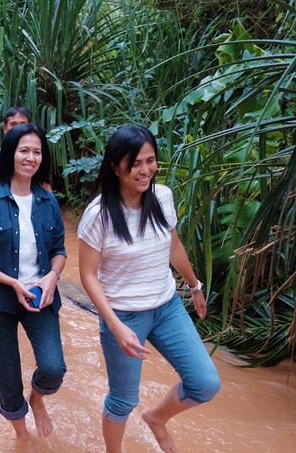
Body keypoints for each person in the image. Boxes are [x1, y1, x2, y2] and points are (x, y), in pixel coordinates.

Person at [77, 124, 220, 453]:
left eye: (150, 161)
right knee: (123, 399)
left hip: (167, 306)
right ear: (115, 166)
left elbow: (174, 249)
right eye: (135, 163)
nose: (145, 171)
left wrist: (195, 286)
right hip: (124, 314)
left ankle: (156, 418)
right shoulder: (99, 214)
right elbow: (87, 276)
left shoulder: (162, 196)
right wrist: (115, 325)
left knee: (205, 383)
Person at [0, 123, 67, 441]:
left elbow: (60, 250)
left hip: (40, 296)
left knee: (53, 368)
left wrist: (53, 275)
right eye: (24, 150)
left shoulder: (48, 201)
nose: (30, 157)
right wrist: (11, 282)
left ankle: (37, 400)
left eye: (37, 152)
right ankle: (21, 434)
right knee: (7, 375)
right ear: (10, 153)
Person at [0, 107, 31, 188]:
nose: (18, 128)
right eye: (13, 124)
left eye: (23, 124)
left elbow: (45, 188)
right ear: (5, 128)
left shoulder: (37, 157)